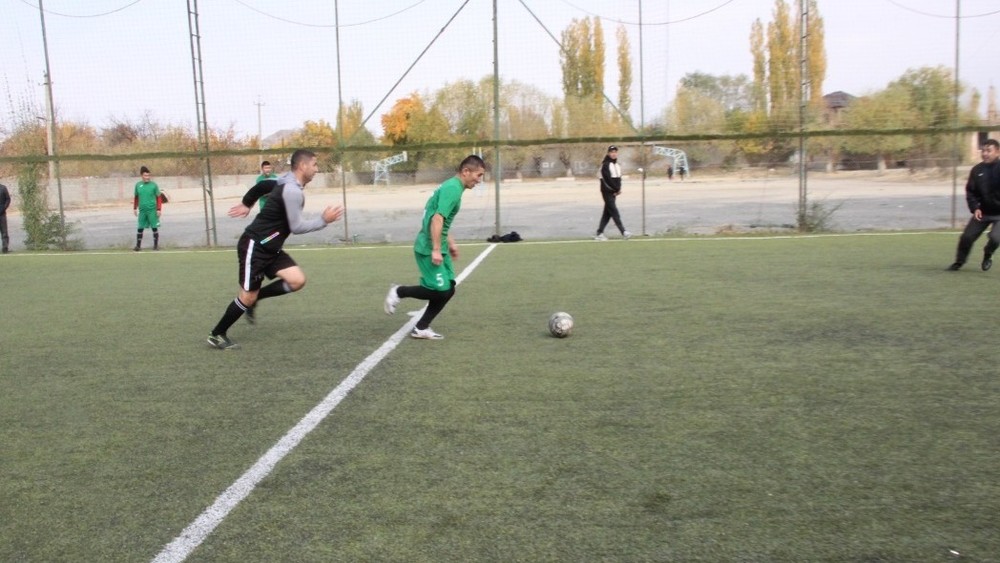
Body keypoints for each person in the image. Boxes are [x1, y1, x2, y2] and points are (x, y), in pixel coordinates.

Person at [206, 149, 344, 349]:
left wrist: (247, 203)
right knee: (246, 296)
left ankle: (257, 298)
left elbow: (263, 185)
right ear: (303, 166)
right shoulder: (292, 191)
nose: (317, 169)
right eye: (314, 164)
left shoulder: (286, 181)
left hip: (270, 247)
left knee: (297, 280)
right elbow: (296, 227)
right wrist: (323, 220)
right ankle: (217, 334)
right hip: (255, 246)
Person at [383, 154, 486, 340]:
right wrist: (436, 249)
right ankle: (399, 291)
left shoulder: (453, 186)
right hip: (428, 246)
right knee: (439, 290)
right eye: (478, 175)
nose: (479, 180)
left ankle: (421, 327)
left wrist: (450, 242)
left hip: (440, 244)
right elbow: (437, 219)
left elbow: (440, 219)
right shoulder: (453, 189)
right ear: (466, 171)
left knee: (449, 289)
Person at [948, 139, 1000, 271]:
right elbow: (970, 192)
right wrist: (975, 208)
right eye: (983, 151)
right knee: (966, 237)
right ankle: (959, 262)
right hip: (983, 212)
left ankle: (988, 253)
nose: (985, 154)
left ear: (997, 152)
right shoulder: (977, 170)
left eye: (989, 151)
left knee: (995, 238)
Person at [594, 145, 631, 241]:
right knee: (614, 211)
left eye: (615, 152)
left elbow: (619, 179)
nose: (614, 154)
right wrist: (615, 190)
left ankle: (599, 233)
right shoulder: (605, 165)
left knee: (607, 213)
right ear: (608, 153)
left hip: (614, 192)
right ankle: (623, 231)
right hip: (607, 191)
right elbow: (606, 180)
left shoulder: (617, 165)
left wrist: (618, 189)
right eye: (612, 152)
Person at [133, 166, 163, 251]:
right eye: (145, 175)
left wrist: (159, 209)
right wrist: (135, 208)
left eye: (148, 175)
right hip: (142, 210)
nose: (147, 177)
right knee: (140, 227)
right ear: (142, 176)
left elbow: (159, 197)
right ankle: (138, 246)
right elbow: (136, 197)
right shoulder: (138, 185)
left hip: (152, 210)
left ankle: (156, 246)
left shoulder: (154, 185)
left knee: (154, 227)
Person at [0, 182, 10, 253]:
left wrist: (4, 208)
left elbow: (8, 199)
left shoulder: (3, 188)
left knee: (4, 232)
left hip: (2, 213)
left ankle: (5, 248)